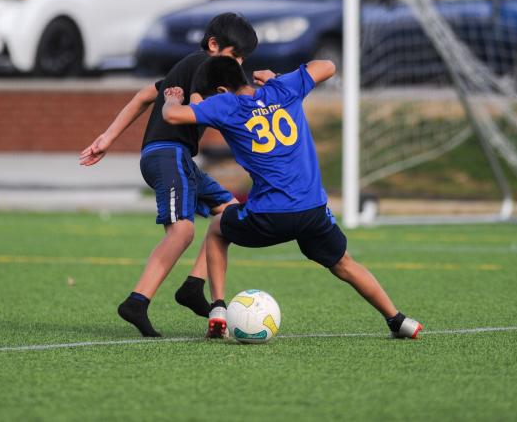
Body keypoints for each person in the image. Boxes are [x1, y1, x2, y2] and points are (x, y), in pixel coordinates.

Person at [161, 57, 422, 339]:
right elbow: (328, 66)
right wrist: (276, 76)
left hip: (271, 215)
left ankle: (218, 309)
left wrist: (172, 99)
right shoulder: (283, 88)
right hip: (313, 211)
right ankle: (398, 320)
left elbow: (174, 116)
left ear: (222, 91)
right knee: (344, 263)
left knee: (217, 228)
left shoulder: (226, 105)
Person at [79, 13, 258, 337]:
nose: (239, 64)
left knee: (231, 214)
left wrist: (108, 138)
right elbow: (200, 105)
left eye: (244, 59)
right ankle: (137, 301)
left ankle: (192, 286)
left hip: (180, 159)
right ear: (214, 46)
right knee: (182, 232)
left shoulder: (192, 67)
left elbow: (145, 95)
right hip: (166, 153)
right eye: (236, 56)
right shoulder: (200, 64)